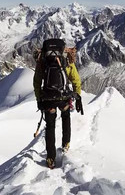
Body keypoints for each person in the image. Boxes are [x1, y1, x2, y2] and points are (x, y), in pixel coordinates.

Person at [33, 38, 82, 169]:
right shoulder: (66, 60)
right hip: (63, 97)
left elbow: (37, 82)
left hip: (48, 98)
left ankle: (50, 158)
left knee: (50, 126)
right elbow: (75, 79)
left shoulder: (43, 60)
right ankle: (66, 144)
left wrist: (39, 99)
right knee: (66, 117)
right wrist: (77, 95)